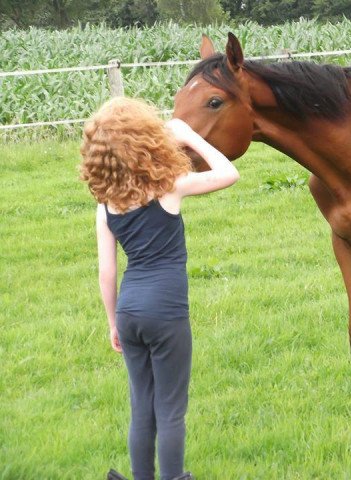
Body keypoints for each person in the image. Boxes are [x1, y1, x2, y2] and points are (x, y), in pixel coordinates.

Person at [79, 97, 240, 480]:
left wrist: (113, 322)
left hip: (130, 311)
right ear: (147, 141)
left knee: (143, 407)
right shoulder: (170, 186)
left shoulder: (106, 205)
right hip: (165, 313)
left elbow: (106, 272)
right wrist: (187, 136)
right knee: (170, 409)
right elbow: (228, 172)